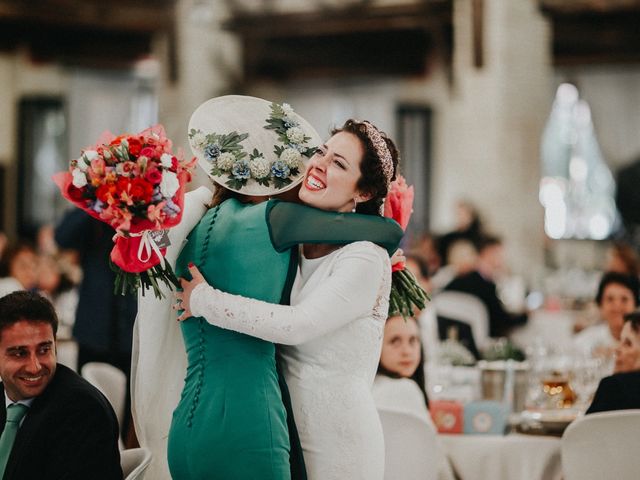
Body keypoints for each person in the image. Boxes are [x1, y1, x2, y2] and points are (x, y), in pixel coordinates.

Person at [132, 97, 402, 479]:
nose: (317, 165)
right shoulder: (282, 231)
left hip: (333, 435)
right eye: (320, 153)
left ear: (364, 192)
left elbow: (299, 324)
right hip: (267, 421)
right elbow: (389, 231)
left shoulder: (363, 257)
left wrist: (205, 299)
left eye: (338, 163)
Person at [0, 291, 121, 479]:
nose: (35, 367)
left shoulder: (83, 411)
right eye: (19, 353)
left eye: (44, 350)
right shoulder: (6, 398)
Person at [54, 208, 137, 442]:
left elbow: (165, 243)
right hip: (94, 328)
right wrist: (97, 202)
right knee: (85, 408)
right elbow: (61, 237)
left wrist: (144, 215)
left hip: (131, 332)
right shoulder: (94, 212)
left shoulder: (149, 209)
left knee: (127, 414)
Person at [443, 235, 527, 338]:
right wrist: (526, 315)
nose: (503, 259)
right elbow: (502, 322)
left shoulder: (459, 280)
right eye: (499, 253)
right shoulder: (485, 286)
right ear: (488, 253)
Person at [374, 314, 429, 416]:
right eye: (395, 341)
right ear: (377, 346)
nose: (407, 351)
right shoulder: (405, 389)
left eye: (412, 341)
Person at [586, 311, 640, 414]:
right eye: (620, 341)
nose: (617, 349)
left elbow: (585, 428)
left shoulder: (612, 386)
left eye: (628, 343)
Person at [575, 272, 639, 357]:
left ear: (635, 305)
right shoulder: (584, 341)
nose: (617, 306)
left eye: (624, 299)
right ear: (600, 306)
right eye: (610, 299)